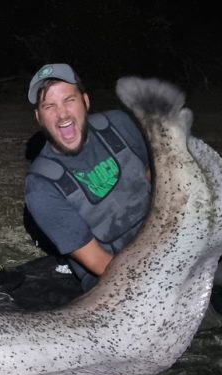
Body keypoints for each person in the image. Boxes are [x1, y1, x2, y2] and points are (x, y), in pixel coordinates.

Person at [23, 63, 151, 292]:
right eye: (49, 106)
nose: (62, 115)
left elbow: (154, 182)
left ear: (86, 101)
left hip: (162, 238)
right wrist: (154, 277)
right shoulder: (40, 187)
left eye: (69, 100)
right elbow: (98, 262)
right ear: (38, 117)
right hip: (115, 274)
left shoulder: (119, 125)